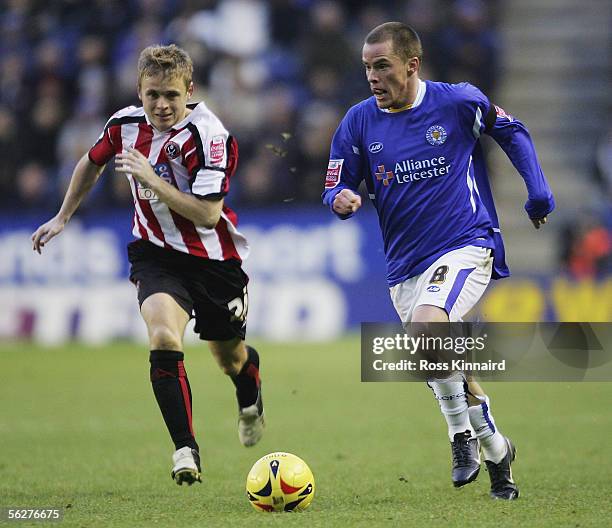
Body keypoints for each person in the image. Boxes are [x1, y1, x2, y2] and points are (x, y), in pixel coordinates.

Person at [322, 22, 555, 500]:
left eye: (382, 66)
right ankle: (497, 450)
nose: (372, 76)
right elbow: (334, 182)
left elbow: (510, 130)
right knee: (441, 361)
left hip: (466, 243)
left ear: (412, 64)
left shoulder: (456, 101)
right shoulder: (359, 122)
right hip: (404, 268)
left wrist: (537, 190)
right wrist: (339, 197)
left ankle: (459, 437)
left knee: (427, 333)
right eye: (367, 67)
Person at [31, 44, 265, 486]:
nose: (162, 105)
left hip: (215, 262)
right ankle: (185, 450)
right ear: (139, 90)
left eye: (172, 95)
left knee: (228, 357)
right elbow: (91, 162)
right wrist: (62, 216)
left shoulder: (210, 135)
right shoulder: (123, 125)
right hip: (156, 254)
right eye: (152, 94)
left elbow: (208, 214)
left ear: (190, 91)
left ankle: (249, 390)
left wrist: (151, 179)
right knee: (161, 334)